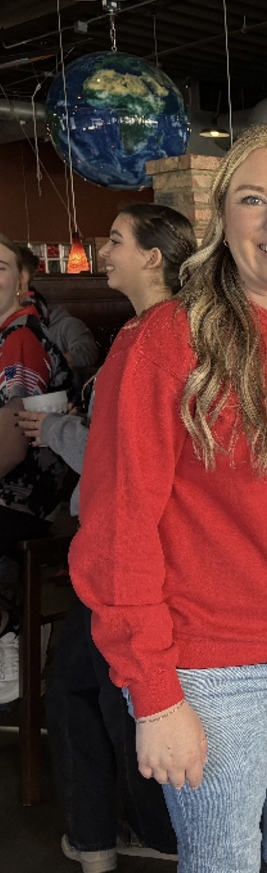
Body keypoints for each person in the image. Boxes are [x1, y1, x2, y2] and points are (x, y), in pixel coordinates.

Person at [69, 122, 267, 873]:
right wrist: (155, 695)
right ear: (222, 222)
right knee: (224, 863)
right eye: (253, 199)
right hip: (211, 670)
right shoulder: (165, 344)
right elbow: (117, 530)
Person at [16, 203, 196, 873]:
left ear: (153, 257)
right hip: (130, 547)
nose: (105, 250)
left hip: (127, 551)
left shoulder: (151, 338)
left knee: (97, 695)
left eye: (116, 240)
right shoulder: (160, 332)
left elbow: (124, 460)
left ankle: (133, 835)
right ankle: (103, 838)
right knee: (87, 691)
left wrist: (55, 432)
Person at [0, 232, 73, 703]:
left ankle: (8, 627)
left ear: (23, 281)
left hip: (31, 499)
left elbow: (10, 449)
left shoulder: (19, 339)